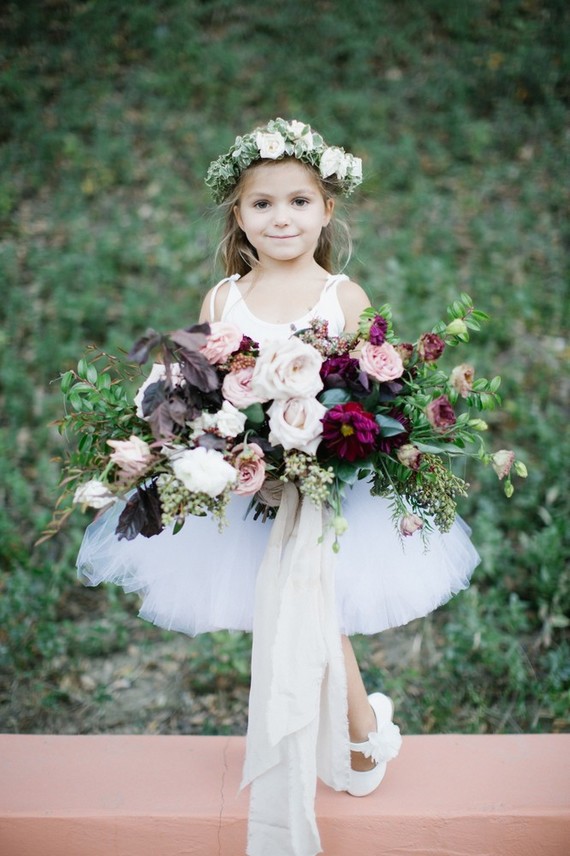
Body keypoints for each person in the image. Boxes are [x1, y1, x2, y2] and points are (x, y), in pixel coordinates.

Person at [77, 118, 479, 856]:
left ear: (327, 210)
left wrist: (327, 441)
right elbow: (200, 382)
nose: (281, 217)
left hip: (328, 484)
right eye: (262, 204)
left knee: (311, 602)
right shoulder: (227, 296)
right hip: (248, 481)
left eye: (298, 201)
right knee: (293, 607)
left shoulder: (341, 293)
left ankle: (360, 736)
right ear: (239, 216)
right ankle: (360, 738)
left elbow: (368, 391)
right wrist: (207, 435)